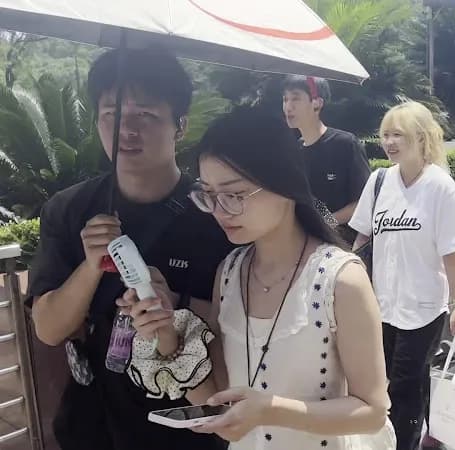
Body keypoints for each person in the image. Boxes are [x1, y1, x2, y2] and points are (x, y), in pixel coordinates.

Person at [121, 106, 394, 449]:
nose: (220, 212)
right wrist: (166, 336)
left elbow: (372, 411)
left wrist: (271, 410)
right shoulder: (230, 272)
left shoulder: (340, 279)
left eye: (234, 195)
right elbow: (221, 406)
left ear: (285, 183)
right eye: (209, 195)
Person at [26, 47, 232, 450]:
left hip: (184, 429)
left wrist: (174, 306)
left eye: (147, 115)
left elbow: (237, 331)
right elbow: (49, 330)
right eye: (112, 114)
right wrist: (90, 265)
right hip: (93, 422)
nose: (126, 128)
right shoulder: (70, 209)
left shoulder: (216, 215)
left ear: (180, 126)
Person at [349, 101, 455, 450]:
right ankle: (435, 435)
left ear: (420, 138)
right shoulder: (379, 181)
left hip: (424, 308)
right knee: (398, 382)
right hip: (382, 305)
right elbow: (361, 237)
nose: (388, 142)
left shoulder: (440, 186)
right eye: (385, 134)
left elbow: (452, 252)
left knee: (403, 386)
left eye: (397, 134)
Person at [282, 75, 371, 244]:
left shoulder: (345, 143)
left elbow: (364, 201)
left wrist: (326, 222)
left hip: (342, 247)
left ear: (317, 103)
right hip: (303, 244)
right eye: (285, 99)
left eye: (295, 98)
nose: (288, 106)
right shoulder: (294, 150)